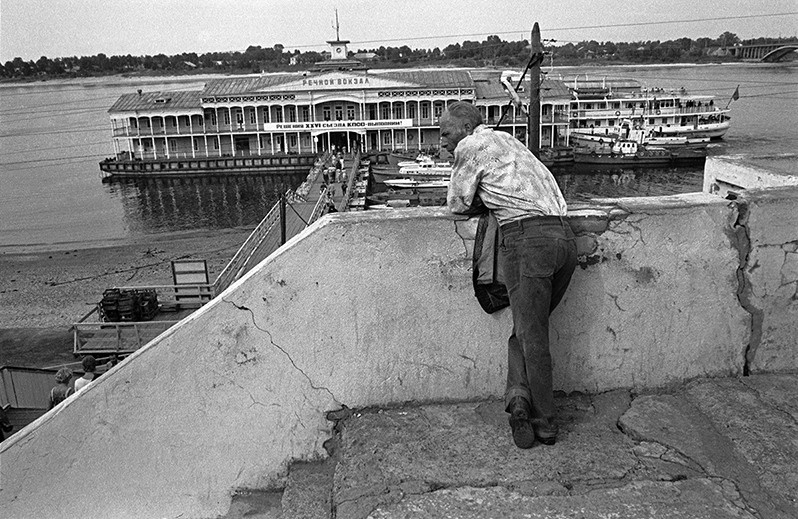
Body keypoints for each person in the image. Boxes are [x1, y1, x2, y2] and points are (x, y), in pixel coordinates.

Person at [441, 101, 577, 449]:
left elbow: (457, 204)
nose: (442, 141)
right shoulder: (508, 141)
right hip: (564, 239)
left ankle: (545, 422)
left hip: (529, 242)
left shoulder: (470, 146)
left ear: (465, 128)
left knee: (534, 338)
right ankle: (518, 400)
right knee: (526, 328)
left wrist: (481, 202)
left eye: (446, 133)